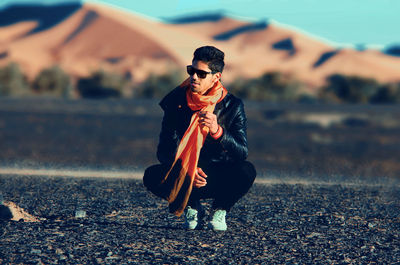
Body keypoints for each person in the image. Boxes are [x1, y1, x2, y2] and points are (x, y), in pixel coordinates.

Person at [143, 46, 256, 231]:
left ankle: (220, 209)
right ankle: (191, 206)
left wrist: (218, 131)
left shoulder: (233, 105)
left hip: (219, 174)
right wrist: (187, 169)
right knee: (151, 175)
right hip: (187, 174)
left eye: (201, 74)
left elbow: (241, 152)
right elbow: (164, 149)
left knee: (247, 171)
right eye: (191, 71)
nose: (194, 77)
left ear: (216, 77)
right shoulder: (176, 101)